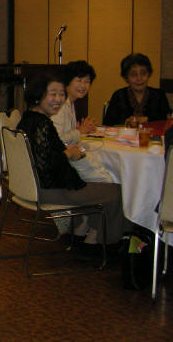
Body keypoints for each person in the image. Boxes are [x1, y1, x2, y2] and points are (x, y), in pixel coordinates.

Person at [17, 75, 126, 245]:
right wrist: (69, 153)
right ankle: (99, 240)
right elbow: (46, 164)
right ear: (38, 95)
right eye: (53, 94)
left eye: (62, 94)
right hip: (47, 189)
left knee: (91, 182)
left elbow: (44, 155)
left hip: (30, 185)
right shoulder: (42, 124)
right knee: (116, 191)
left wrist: (66, 152)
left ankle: (82, 230)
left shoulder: (28, 118)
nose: (58, 99)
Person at [51, 61, 112, 183]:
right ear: (68, 81)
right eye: (79, 80)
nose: (83, 86)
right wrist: (79, 131)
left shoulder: (70, 103)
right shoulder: (60, 105)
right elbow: (56, 141)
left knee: (101, 169)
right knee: (105, 178)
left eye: (87, 81)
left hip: (66, 157)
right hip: (59, 163)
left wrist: (80, 129)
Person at [103, 53, 171, 126]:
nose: (139, 78)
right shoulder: (118, 96)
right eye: (134, 75)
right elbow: (107, 125)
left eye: (143, 73)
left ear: (148, 74)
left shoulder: (159, 95)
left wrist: (145, 119)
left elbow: (167, 120)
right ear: (126, 77)